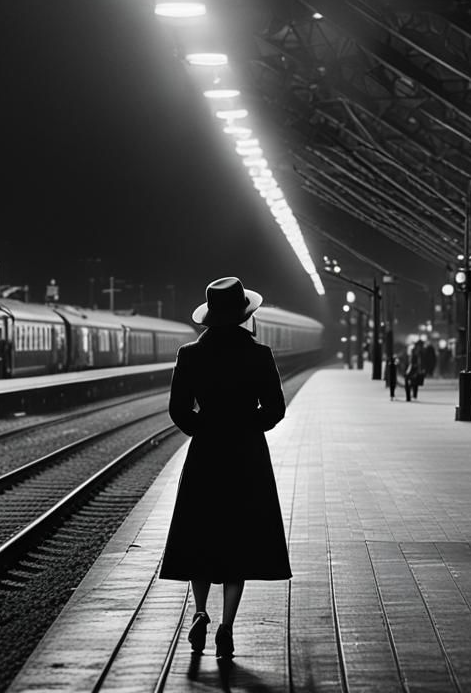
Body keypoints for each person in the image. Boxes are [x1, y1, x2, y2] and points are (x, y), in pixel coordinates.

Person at [162, 276, 291, 660]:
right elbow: (275, 410)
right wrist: (250, 425)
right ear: (242, 315)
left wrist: (204, 429)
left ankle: (200, 611)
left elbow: (178, 410)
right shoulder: (259, 354)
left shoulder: (189, 354)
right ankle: (226, 626)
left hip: (206, 454)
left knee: (200, 532)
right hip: (246, 455)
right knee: (240, 540)